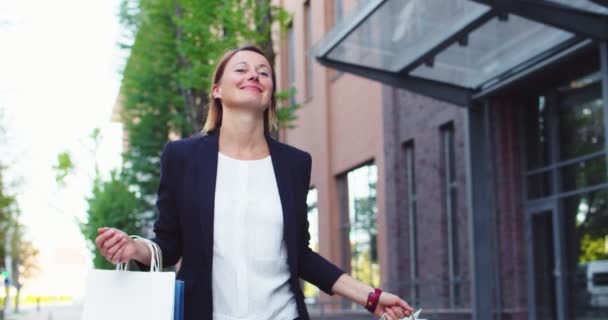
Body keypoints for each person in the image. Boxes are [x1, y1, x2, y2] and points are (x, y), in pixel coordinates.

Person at [95, 45, 414, 320]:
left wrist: (371, 297)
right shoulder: (182, 157)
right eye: (241, 69)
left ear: (270, 92)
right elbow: (170, 245)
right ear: (217, 90)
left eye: (264, 72)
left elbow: (299, 256)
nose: (254, 75)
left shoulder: (294, 163)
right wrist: (133, 248)